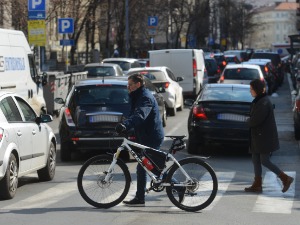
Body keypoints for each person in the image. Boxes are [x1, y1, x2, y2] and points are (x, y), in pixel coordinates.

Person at [115, 73, 165, 206]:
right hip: (145, 135)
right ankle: (140, 198)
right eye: (128, 85)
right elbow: (133, 115)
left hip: (152, 136)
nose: (128, 87)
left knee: (150, 167)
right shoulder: (137, 96)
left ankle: (177, 186)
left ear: (138, 84)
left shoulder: (145, 97)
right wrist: (126, 127)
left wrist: (126, 125)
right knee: (143, 167)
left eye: (130, 85)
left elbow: (140, 115)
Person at [245, 79, 294, 193]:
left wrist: (248, 121)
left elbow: (255, 120)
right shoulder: (259, 100)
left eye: (251, 89)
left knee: (264, 160)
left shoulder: (263, 102)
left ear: (257, 90)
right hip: (259, 137)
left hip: (264, 138)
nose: (250, 91)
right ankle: (257, 184)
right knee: (255, 159)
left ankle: (285, 178)